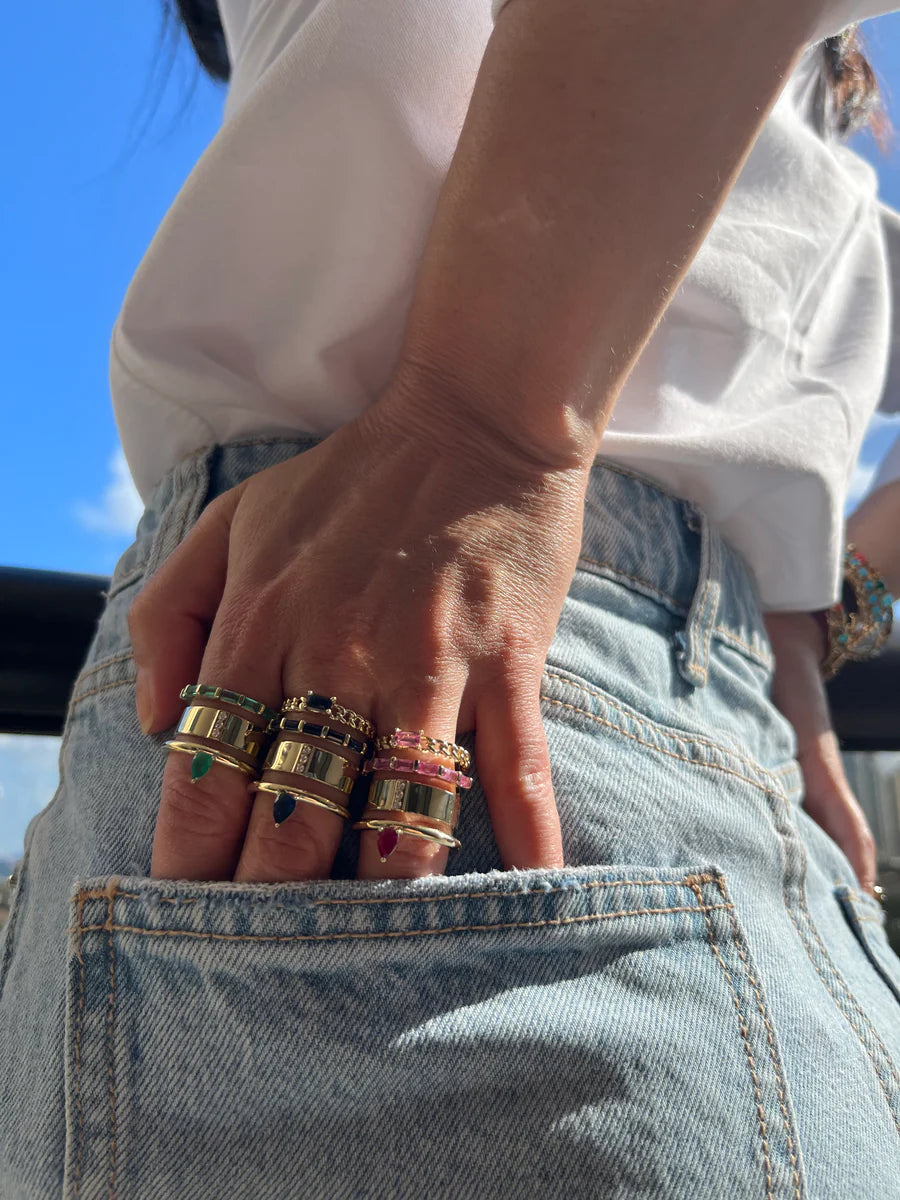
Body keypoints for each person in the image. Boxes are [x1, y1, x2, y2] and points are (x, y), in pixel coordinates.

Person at [2, 0, 900, 1195]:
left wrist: (794, 616)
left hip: (550, 654)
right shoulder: (807, 168)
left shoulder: (812, 172)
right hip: (411, 657)